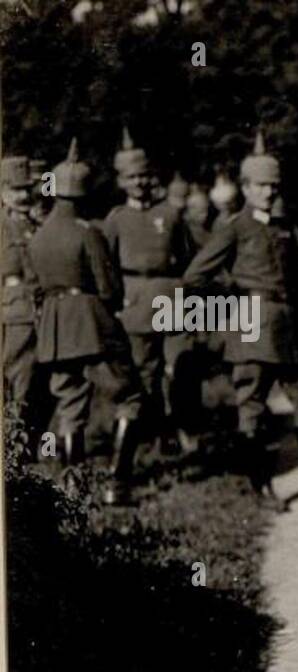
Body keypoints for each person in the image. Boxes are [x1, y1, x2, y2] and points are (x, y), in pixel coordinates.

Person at [183, 131, 298, 510]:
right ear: (245, 187)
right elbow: (196, 276)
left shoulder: (286, 225)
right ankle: (261, 488)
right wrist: (235, 299)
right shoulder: (233, 226)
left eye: (273, 185)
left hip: (292, 329)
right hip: (253, 326)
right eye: (261, 185)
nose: (268, 192)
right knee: (254, 406)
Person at [27, 139, 145, 505]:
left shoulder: (39, 235)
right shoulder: (88, 231)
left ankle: (72, 489)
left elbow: (36, 288)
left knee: (70, 408)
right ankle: (117, 484)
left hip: (54, 330)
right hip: (92, 324)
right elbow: (109, 287)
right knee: (131, 396)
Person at [101, 128, 197, 451]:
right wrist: (119, 300)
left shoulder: (170, 215)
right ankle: (155, 435)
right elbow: (106, 264)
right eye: (131, 178)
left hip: (171, 297)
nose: (140, 183)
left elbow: (186, 257)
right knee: (144, 373)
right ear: (121, 181)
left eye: (144, 176)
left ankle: (182, 427)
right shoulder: (115, 220)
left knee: (180, 365)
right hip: (135, 302)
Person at [2, 156, 41, 450]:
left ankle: (26, 444)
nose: (24, 196)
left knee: (33, 382)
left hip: (37, 310)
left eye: (28, 189)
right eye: (17, 190)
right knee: (15, 378)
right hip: (14, 312)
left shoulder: (34, 225)